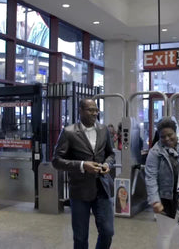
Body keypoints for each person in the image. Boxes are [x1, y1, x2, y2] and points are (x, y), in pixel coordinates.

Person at [52, 98, 115, 249]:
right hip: (80, 191)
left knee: (107, 231)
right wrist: (81, 165)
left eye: (96, 110)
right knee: (80, 237)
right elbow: (56, 161)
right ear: (80, 110)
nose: (94, 113)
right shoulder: (69, 132)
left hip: (102, 187)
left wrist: (107, 164)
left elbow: (111, 154)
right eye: (90, 110)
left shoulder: (103, 129)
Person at [145, 117, 179, 249]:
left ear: (176, 132)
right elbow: (150, 177)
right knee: (166, 233)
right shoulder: (155, 152)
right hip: (166, 198)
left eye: (170, 135)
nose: (167, 139)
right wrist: (155, 200)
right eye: (163, 136)